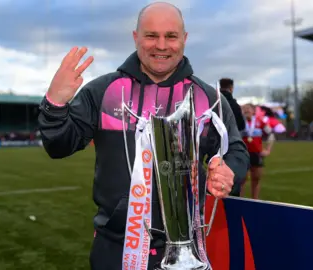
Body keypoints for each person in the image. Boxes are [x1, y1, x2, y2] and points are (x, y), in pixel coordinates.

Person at [37, 2, 249, 269]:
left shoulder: (210, 98)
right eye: (151, 35)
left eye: (171, 36)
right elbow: (58, 146)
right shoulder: (102, 91)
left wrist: (229, 171)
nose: (161, 45)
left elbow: (237, 151)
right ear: (136, 37)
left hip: (190, 251)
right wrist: (54, 104)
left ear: (184, 39)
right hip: (114, 249)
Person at [239, 103, 274, 199]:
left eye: (248, 109)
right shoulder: (240, 123)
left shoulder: (260, 121)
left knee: (256, 179)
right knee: (241, 180)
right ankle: (240, 201)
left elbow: (271, 135)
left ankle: (255, 201)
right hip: (243, 154)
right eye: (244, 109)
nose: (246, 111)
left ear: (253, 111)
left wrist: (268, 149)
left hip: (256, 154)